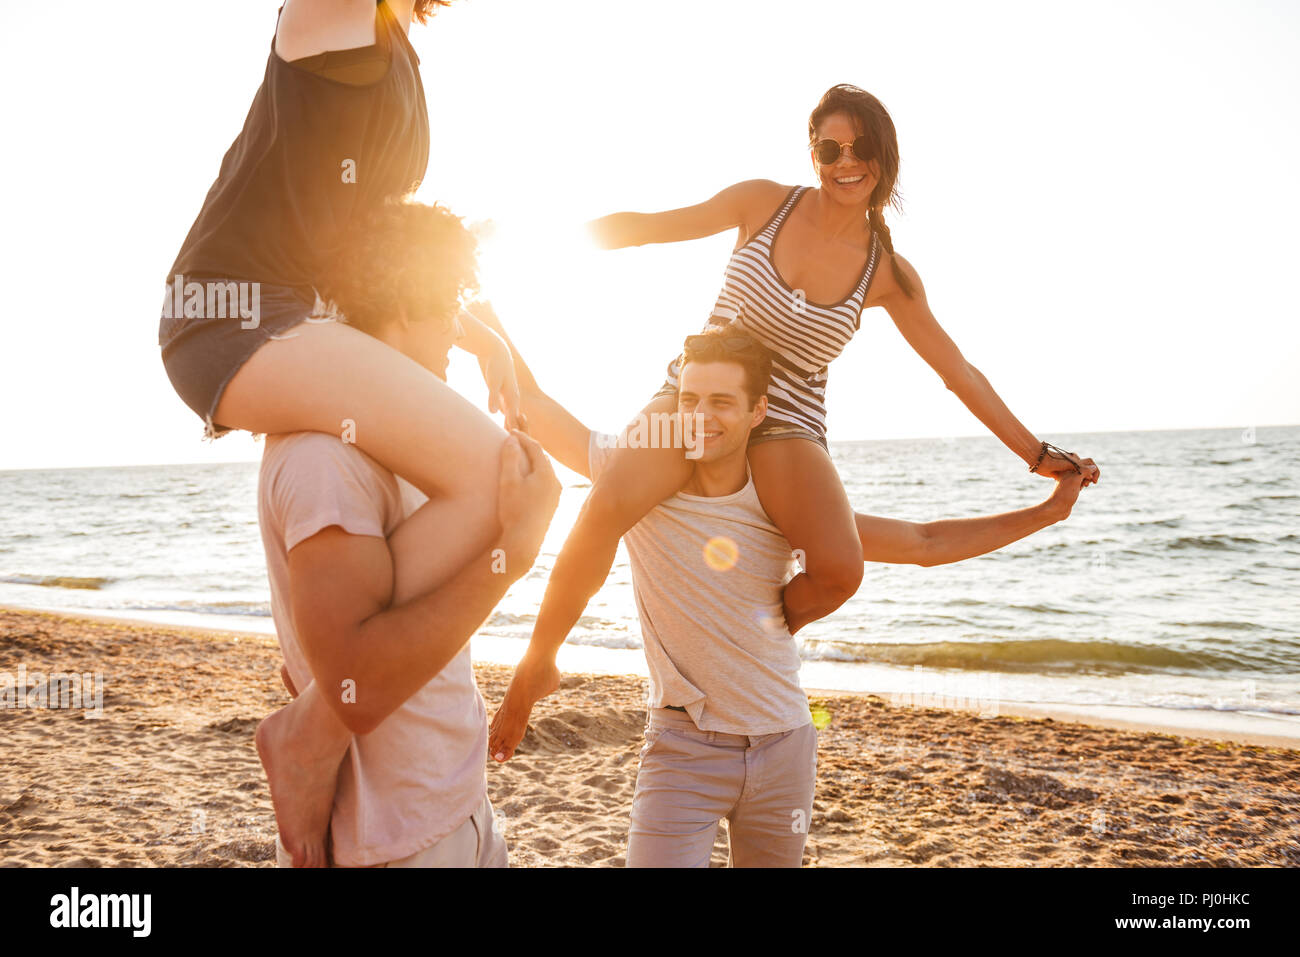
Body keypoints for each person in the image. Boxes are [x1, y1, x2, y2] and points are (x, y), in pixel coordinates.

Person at [492, 84, 1100, 737]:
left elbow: (958, 372)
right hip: (700, 394)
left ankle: (768, 623)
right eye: (831, 147)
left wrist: (1036, 455)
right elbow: (645, 228)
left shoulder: (887, 271)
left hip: (787, 419)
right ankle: (538, 664)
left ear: (883, 156)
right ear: (813, 153)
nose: (846, 161)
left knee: (841, 567)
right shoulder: (763, 203)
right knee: (608, 501)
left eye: (861, 147)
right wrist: (526, 240)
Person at [473, 311, 1086, 866]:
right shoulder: (632, 478)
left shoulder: (779, 503)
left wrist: (1047, 512)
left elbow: (922, 542)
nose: (699, 417)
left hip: (785, 743)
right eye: (688, 399)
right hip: (682, 745)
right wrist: (487, 324)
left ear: (757, 410)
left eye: (720, 401)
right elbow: (535, 405)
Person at [157, 0, 527, 866]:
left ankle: (332, 688)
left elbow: (381, 242)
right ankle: (314, 730)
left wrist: (477, 328)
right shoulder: (330, 16)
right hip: (234, 319)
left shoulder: (397, 45)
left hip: (310, 318)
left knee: (492, 470)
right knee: (496, 472)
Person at [255, 200, 561, 867]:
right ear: (403, 305)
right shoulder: (326, 455)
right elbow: (356, 682)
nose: (457, 330)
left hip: (455, 809)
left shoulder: (397, 440)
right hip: (395, 841)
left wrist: (493, 342)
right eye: (449, 307)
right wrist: (512, 558)